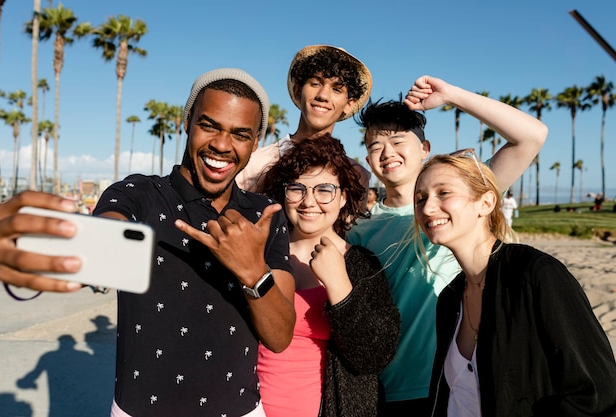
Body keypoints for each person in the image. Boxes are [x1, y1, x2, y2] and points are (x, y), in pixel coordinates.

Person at [0, 68, 296, 417]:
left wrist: (253, 271)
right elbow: (104, 246)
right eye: (209, 125)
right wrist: (37, 239)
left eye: (240, 134)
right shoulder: (138, 194)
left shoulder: (265, 215)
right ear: (187, 122)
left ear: (255, 142)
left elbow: (280, 335)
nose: (222, 145)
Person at [347, 75, 548, 416]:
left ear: (424, 149)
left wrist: (452, 95)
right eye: (374, 146)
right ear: (368, 161)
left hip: (463, 380)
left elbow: (531, 136)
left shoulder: (460, 200)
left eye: (398, 141)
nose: (387, 153)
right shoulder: (360, 230)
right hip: (391, 387)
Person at [413, 152, 616, 416]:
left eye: (443, 193)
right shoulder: (450, 298)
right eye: (420, 198)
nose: (427, 208)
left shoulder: (536, 274)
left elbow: (598, 393)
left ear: (485, 203)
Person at [255, 134, 400, 417]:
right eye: (296, 188)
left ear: (343, 196)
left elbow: (375, 355)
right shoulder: (260, 253)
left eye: (324, 190)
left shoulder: (361, 264)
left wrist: (340, 288)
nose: (309, 201)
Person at [237, 45, 372, 192]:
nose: (323, 95)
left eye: (337, 89)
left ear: (349, 104)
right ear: (297, 91)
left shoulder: (356, 177)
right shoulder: (254, 163)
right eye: (315, 83)